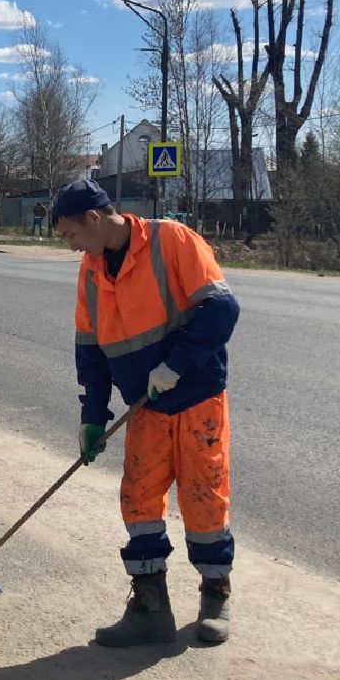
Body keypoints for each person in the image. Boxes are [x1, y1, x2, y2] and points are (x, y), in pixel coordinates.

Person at [51, 179, 240, 646]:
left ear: (93, 219)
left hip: (196, 399)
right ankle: (151, 607)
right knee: (138, 500)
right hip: (146, 407)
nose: (72, 247)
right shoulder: (91, 272)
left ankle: (215, 594)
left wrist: (174, 366)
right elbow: (90, 351)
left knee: (203, 495)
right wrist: (92, 415)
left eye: (71, 235)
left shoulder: (171, 240)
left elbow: (223, 310)